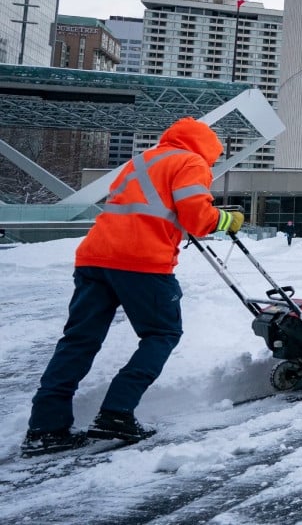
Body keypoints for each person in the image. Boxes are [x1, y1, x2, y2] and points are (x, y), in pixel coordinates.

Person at [22, 117, 244, 457]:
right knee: (162, 334)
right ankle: (116, 411)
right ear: (207, 148)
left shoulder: (142, 160)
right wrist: (229, 219)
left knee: (78, 341)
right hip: (142, 262)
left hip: (95, 258)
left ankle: (45, 429)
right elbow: (198, 220)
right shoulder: (191, 162)